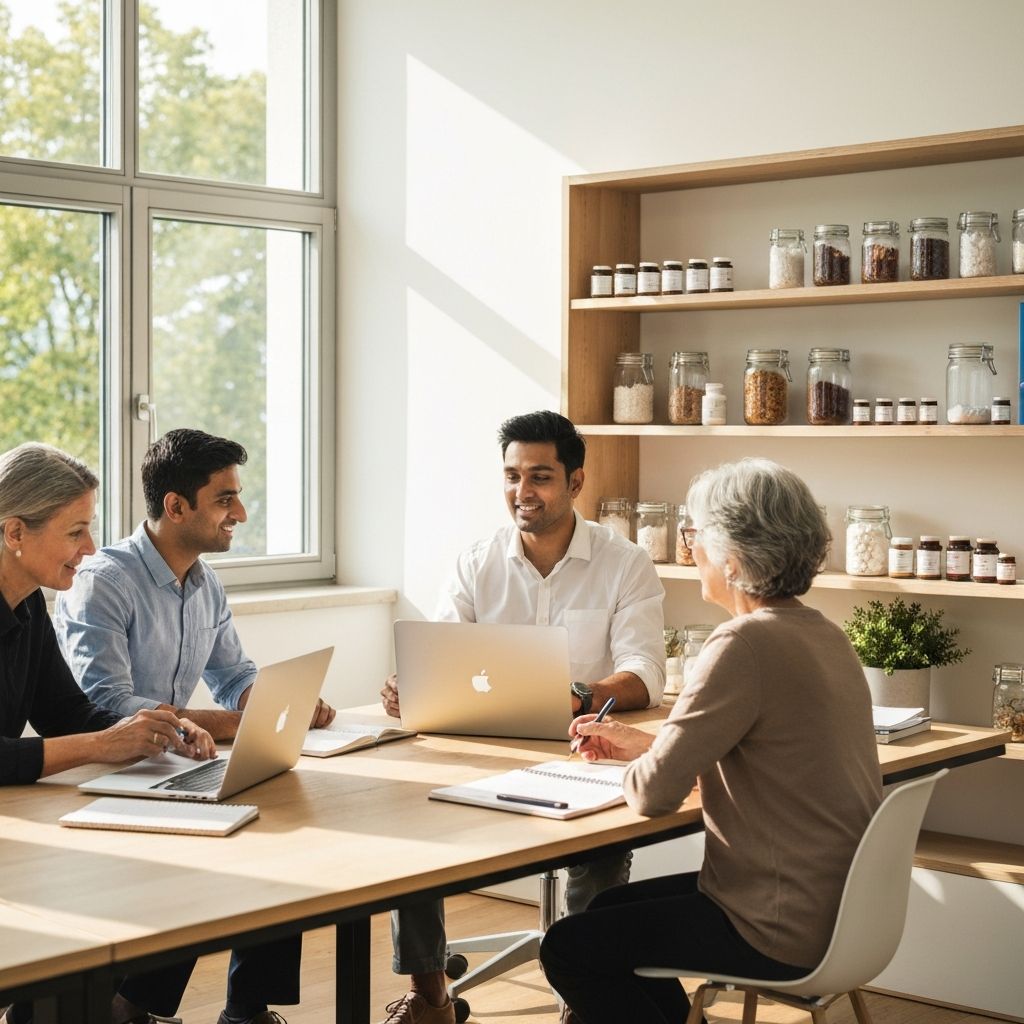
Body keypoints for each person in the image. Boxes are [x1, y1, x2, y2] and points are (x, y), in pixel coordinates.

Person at [539, 458, 884, 1024]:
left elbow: (652, 796)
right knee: (607, 908)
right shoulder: (826, 634)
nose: (690, 547)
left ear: (733, 556)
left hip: (773, 921)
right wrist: (646, 746)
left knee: (569, 948)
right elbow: (766, 762)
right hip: (838, 909)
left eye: (694, 533)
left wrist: (640, 764)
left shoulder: (741, 645)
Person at [378, 411, 665, 1024]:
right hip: (484, 750)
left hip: (582, 751)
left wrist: (578, 694)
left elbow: (645, 675)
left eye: (540, 476)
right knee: (409, 830)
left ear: (575, 481)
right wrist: (414, 685)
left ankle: (589, 998)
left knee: (602, 849)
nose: (522, 491)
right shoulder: (477, 561)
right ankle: (432, 998)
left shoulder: (625, 562)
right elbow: (441, 651)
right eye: (512, 476)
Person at [54, 428, 334, 1024]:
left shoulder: (204, 582)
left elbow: (234, 676)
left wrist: (282, 704)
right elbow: (108, 704)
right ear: (176, 506)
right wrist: (237, 721)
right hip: (99, 774)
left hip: (165, 765)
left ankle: (246, 1012)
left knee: (281, 829)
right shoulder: (104, 581)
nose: (241, 513)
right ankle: (129, 1008)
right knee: (212, 843)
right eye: (225, 499)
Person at [0, 442, 216, 1024]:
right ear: (15, 532)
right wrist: (99, 745)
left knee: (177, 860)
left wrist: (150, 729)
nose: (91, 548)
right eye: (75, 532)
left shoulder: (27, 607)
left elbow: (67, 713)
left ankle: (116, 1012)